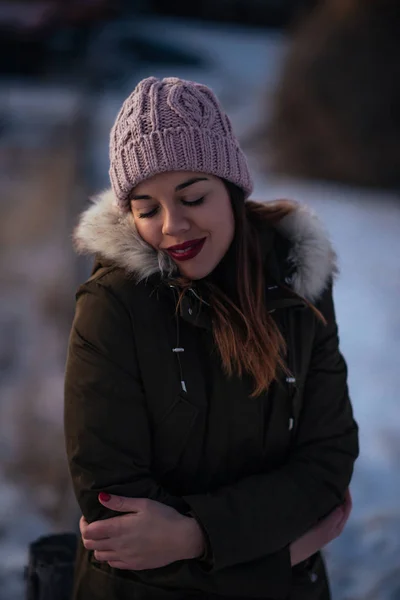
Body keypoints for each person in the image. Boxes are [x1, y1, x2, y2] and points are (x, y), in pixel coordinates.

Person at [64, 76, 359, 600]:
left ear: (232, 188)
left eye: (193, 196)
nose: (173, 225)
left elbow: (328, 459)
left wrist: (194, 535)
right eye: (147, 208)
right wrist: (276, 556)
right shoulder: (114, 308)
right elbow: (116, 522)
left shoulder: (298, 283)